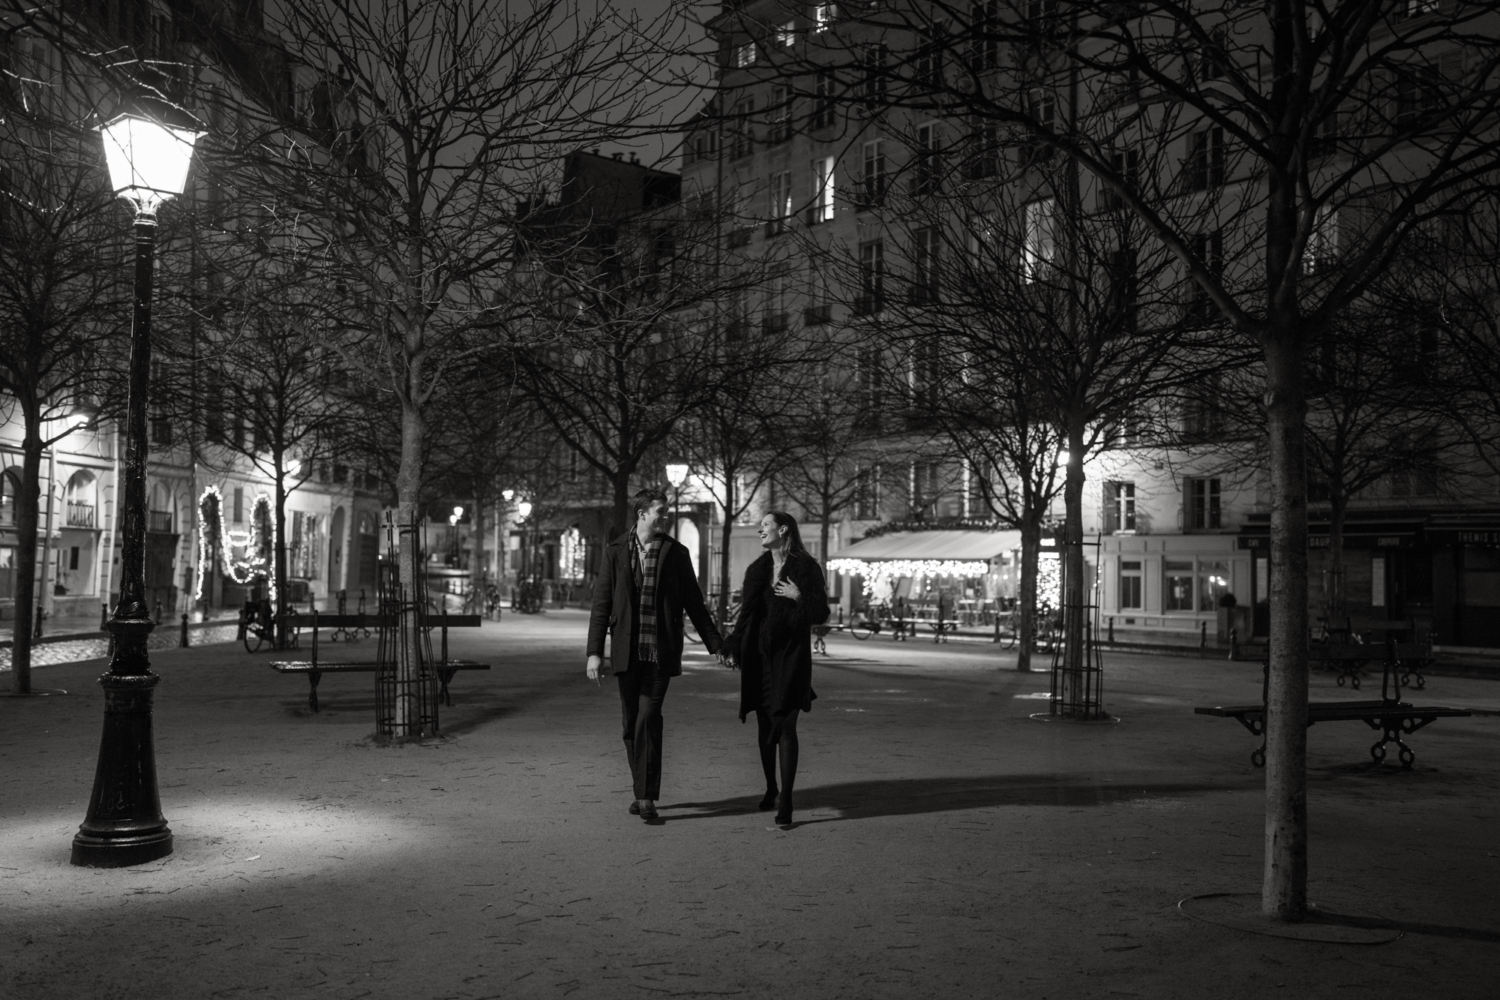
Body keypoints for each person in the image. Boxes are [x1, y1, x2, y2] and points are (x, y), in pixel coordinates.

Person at [586, 488, 724, 822]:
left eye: (668, 511)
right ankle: (641, 788)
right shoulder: (616, 550)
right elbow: (601, 604)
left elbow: (694, 602)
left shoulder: (676, 553)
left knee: (648, 717)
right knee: (630, 723)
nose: (667, 516)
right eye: (660, 511)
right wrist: (594, 652)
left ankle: (645, 796)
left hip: (660, 650)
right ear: (642, 513)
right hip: (626, 650)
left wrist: (717, 644)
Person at [725, 511, 829, 829]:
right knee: (764, 724)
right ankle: (771, 785)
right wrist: (732, 644)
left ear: (783, 529)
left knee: (785, 724)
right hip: (760, 657)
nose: (760, 529)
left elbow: (821, 611)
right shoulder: (757, 569)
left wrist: (800, 597)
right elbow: (747, 615)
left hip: (791, 656)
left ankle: (786, 800)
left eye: (766, 525)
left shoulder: (805, 567)